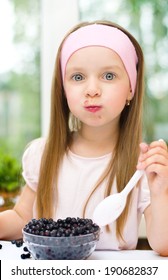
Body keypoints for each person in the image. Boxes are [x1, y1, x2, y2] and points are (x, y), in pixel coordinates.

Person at [0, 20, 168, 256]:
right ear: (63, 89)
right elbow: (21, 218)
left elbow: (163, 244)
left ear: (131, 87)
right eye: (78, 77)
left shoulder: (142, 167)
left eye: (108, 76)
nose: (92, 89)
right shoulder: (44, 154)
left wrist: (161, 192)